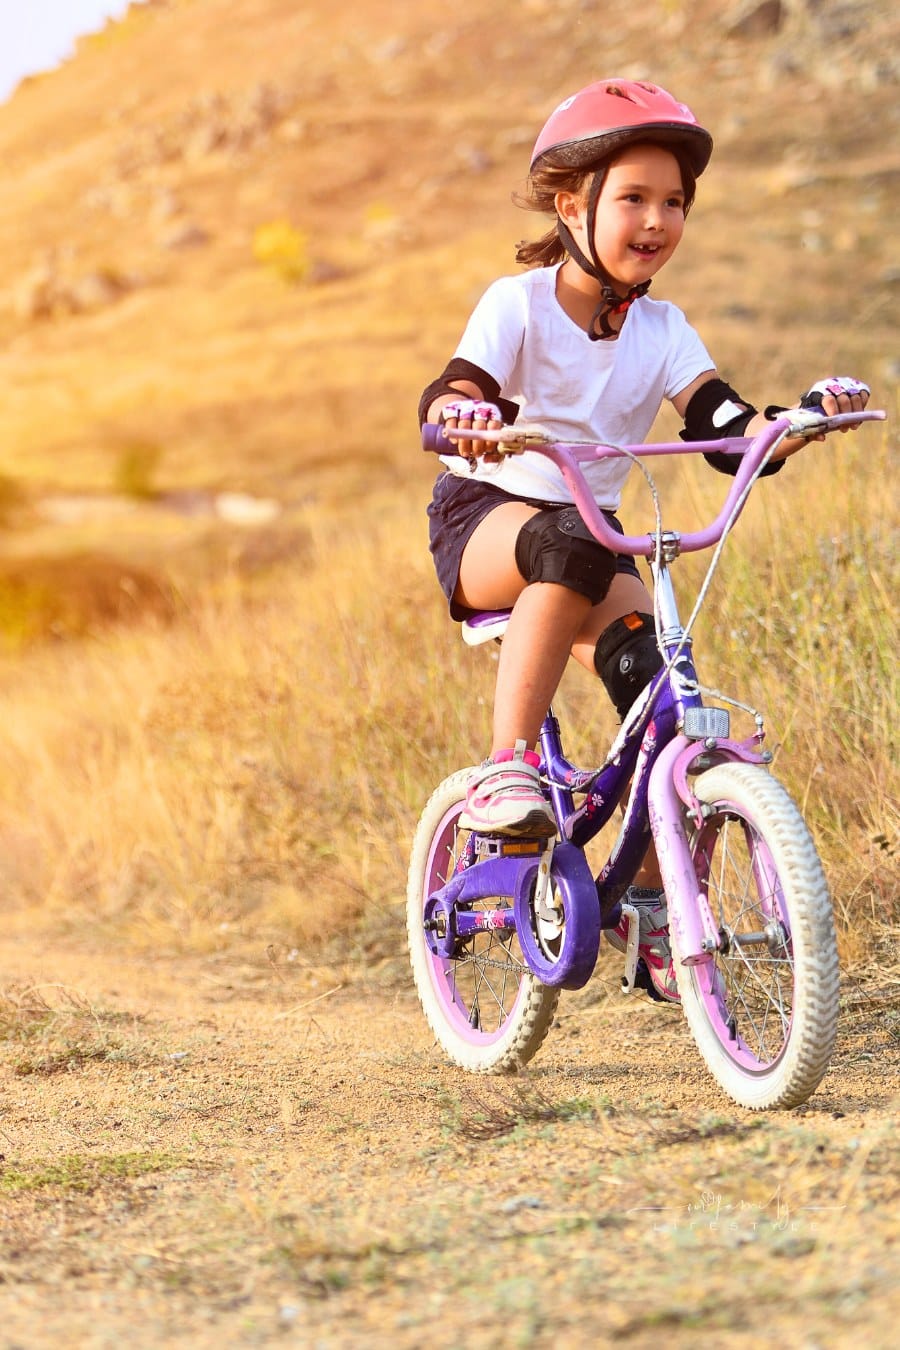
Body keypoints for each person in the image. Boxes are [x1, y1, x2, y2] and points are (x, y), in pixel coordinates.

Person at [419, 78, 870, 1001]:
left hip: (590, 533)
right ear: (571, 203)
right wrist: (463, 414)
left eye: (674, 203)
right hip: (489, 519)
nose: (657, 219)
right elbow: (453, 387)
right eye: (633, 198)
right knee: (572, 545)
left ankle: (662, 922)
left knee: (658, 693)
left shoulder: (662, 330)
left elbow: (723, 419)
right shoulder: (518, 305)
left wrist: (796, 420)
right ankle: (508, 771)